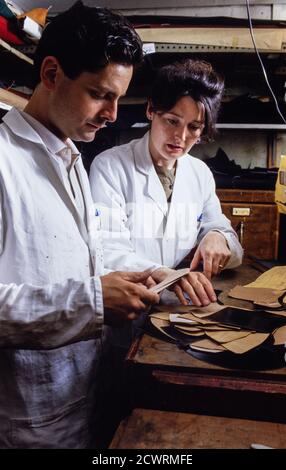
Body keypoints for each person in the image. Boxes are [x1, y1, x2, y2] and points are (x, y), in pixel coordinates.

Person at [0, 1, 159, 448]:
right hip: (24, 420)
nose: (112, 114)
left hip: (80, 398)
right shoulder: (3, 159)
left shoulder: (71, 156)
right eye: (100, 93)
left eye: (118, 97)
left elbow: (78, 255)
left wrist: (130, 277)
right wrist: (92, 301)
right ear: (51, 74)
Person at [90, 59, 243, 307]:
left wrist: (217, 236)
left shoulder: (200, 173)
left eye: (194, 127)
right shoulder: (110, 167)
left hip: (177, 308)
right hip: (126, 310)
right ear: (151, 110)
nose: (181, 137)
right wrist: (164, 273)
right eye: (172, 121)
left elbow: (228, 239)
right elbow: (107, 251)